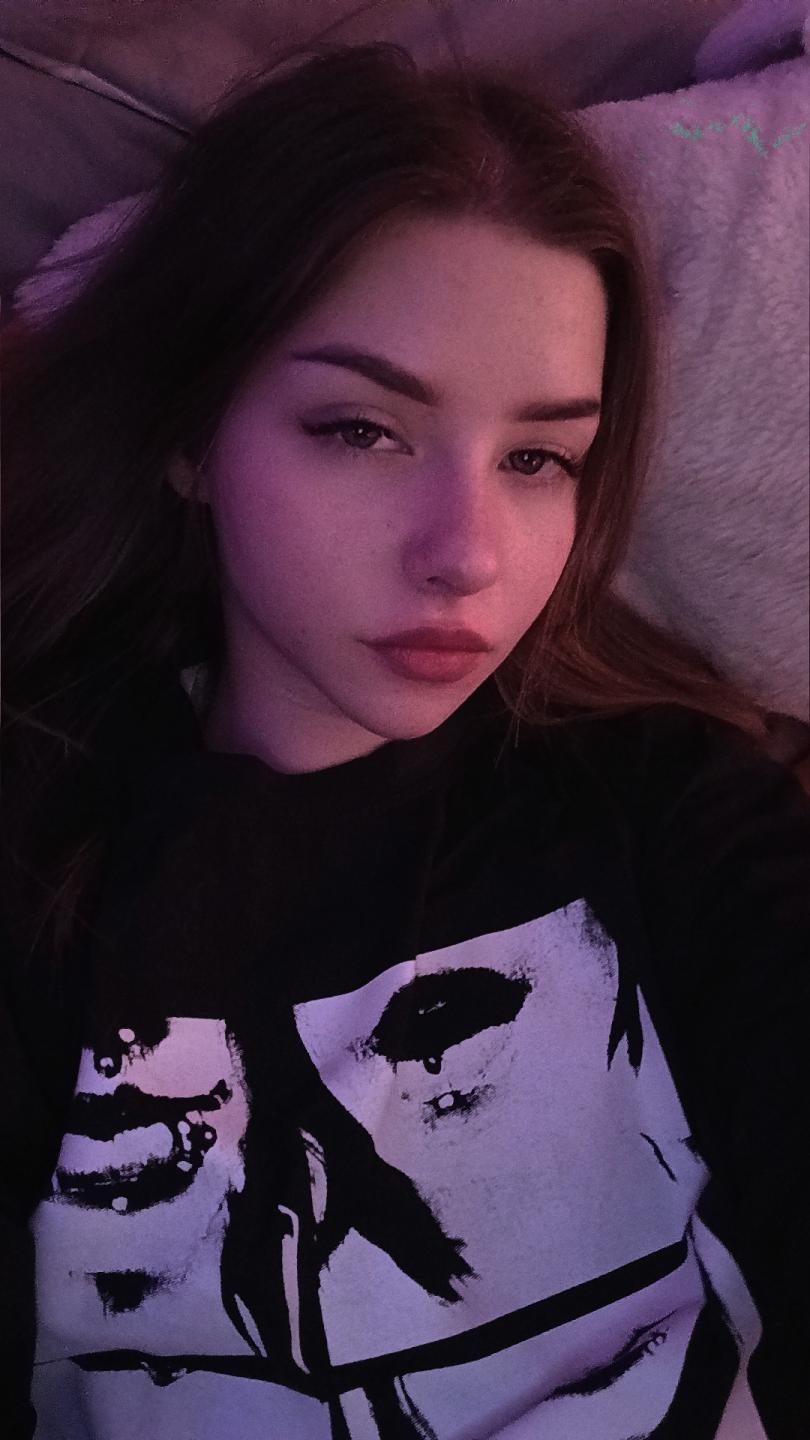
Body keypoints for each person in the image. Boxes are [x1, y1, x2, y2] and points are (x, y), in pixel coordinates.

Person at [1, 33, 808, 1440]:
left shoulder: (670, 800)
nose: (466, 554)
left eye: (538, 458)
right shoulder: (36, 839)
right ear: (191, 434)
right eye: (361, 431)